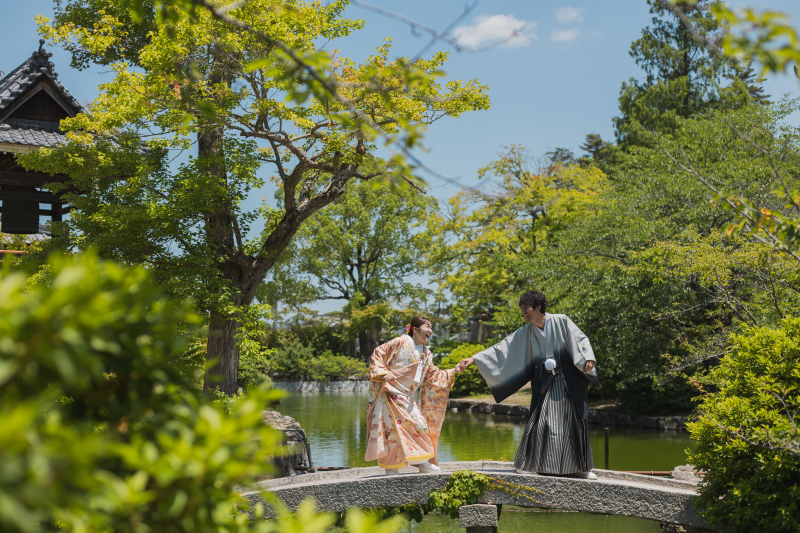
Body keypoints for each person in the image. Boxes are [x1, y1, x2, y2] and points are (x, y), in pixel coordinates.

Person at [461, 291, 599, 479]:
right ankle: (529, 464)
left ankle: (580, 467)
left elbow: (580, 339)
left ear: (538, 307)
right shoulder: (526, 331)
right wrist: (474, 359)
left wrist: (588, 358)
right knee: (541, 423)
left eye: (526, 308)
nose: (523, 312)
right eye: (522, 308)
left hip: (569, 380)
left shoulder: (561, 321)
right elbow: (502, 348)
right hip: (546, 382)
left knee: (574, 423)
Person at [365, 316, 472, 475]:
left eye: (431, 327)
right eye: (427, 326)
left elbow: (433, 376)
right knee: (393, 432)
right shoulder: (400, 342)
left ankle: (422, 462)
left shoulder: (426, 353)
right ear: (415, 329)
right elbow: (378, 353)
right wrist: (383, 372)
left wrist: (454, 371)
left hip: (407, 396)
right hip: (390, 393)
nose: (430, 330)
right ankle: (394, 468)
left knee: (420, 426)